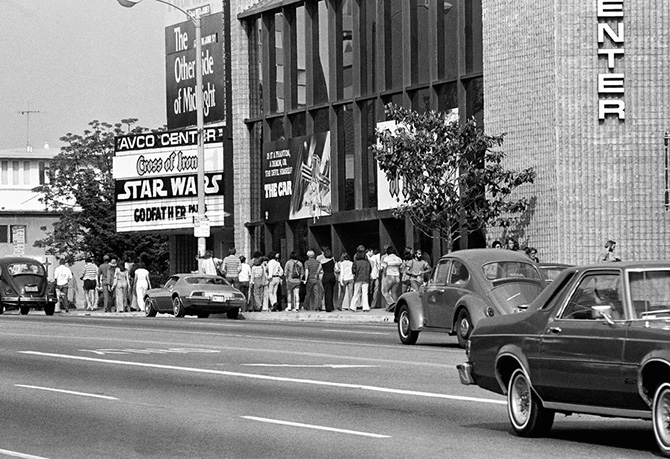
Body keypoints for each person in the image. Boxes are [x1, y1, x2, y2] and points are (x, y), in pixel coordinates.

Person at [381, 246, 403, 312]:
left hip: (389, 276)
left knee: (384, 291)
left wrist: (384, 276)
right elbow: (401, 269)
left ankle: (391, 303)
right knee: (394, 292)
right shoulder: (399, 259)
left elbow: (384, 268)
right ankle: (395, 307)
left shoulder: (386, 258)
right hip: (397, 276)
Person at [350, 245, 372, 312]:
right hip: (366, 279)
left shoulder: (356, 262)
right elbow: (370, 270)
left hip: (358, 278)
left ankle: (353, 307)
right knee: (365, 293)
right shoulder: (367, 262)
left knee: (356, 293)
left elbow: (353, 270)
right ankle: (365, 307)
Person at [320, 248, 337, 312]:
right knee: (331, 291)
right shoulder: (333, 260)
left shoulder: (322, 261)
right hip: (332, 276)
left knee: (327, 292)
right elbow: (335, 268)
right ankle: (331, 305)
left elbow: (319, 269)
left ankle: (328, 307)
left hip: (326, 276)